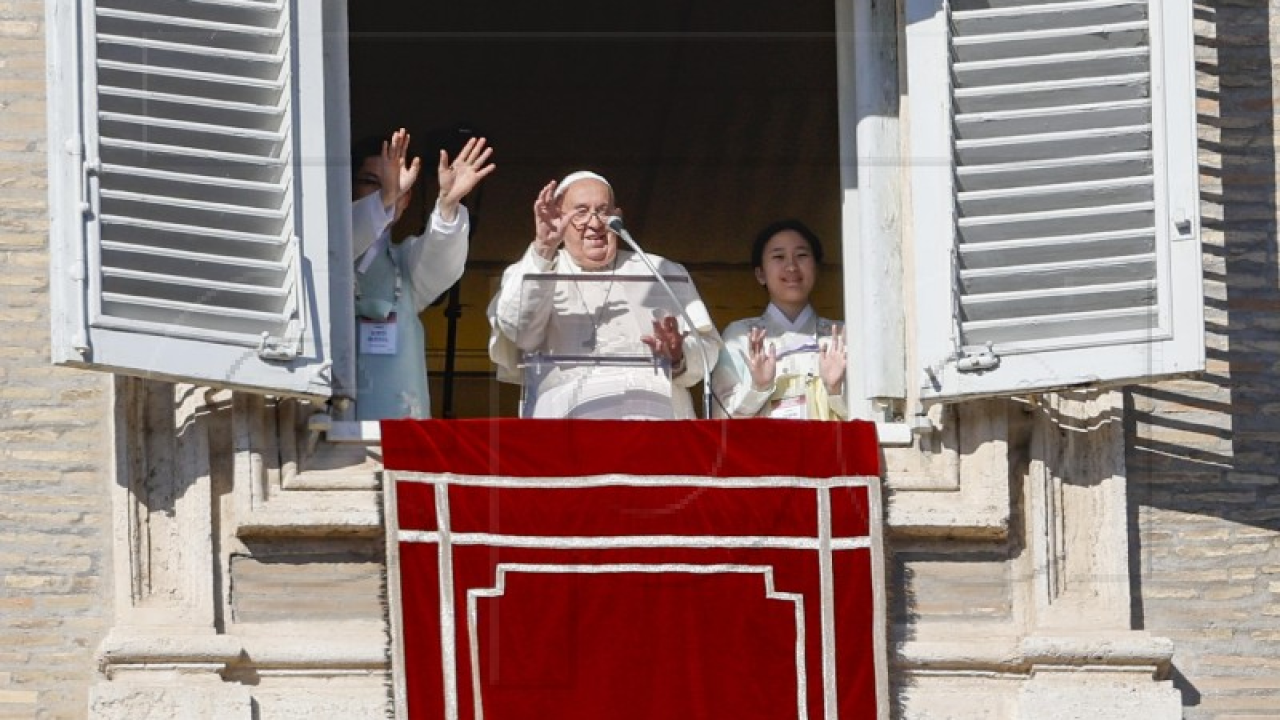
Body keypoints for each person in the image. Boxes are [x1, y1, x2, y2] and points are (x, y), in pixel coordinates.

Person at [487, 171, 721, 419]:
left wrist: (678, 355)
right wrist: (544, 248)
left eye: (603, 211)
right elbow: (520, 334)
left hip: (655, 422)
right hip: (569, 424)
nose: (595, 223)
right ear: (558, 218)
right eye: (580, 212)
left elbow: (708, 349)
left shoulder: (660, 271)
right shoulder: (533, 270)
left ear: (617, 217)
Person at [352, 128, 495, 420]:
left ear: (406, 201)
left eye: (395, 188)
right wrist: (386, 197)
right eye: (372, 183)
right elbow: (342, 242)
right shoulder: (324, 249)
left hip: (397, 433)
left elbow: (439, 260)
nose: (387, 192)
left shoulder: (403, 262)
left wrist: (447, 205)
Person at [712, 219, 847, 420]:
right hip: (762, 451)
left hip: (827, 450)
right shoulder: (740, 336)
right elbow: (721, 419)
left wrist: (836, 389)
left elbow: (873, 418)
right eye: (778, 257)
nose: (791, 266)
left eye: (801, 255)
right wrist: (758, 387)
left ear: (816, 268)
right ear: (760, 274)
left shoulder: (841, 336)